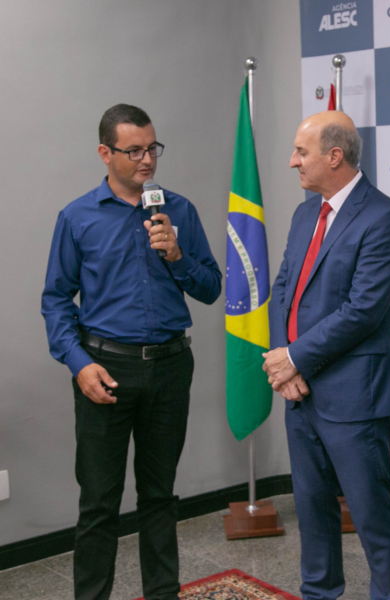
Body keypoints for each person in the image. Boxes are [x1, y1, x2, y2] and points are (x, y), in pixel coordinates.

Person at [41, 104, 222, 600]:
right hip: (105, 370)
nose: (147, 159)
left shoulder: (178, 210)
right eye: (134, 150)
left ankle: (162, 593)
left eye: (152, 148)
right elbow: (56, 299)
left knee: (159, 496)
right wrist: (79, 364)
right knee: (99, 503)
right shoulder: (78, 217)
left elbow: (211, 288)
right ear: (106, 153)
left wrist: (177, 255)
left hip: (170, 367)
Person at [263, 111, 390, 600]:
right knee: (311, 512)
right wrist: (283, 364)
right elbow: (283, 290)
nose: (292, 161)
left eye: (300, 152)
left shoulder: (383, 217)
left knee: (373, 519)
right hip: (300, 393)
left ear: (334, 156)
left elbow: (363, 311)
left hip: (354, 399)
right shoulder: (305, 213)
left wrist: (295, 359)